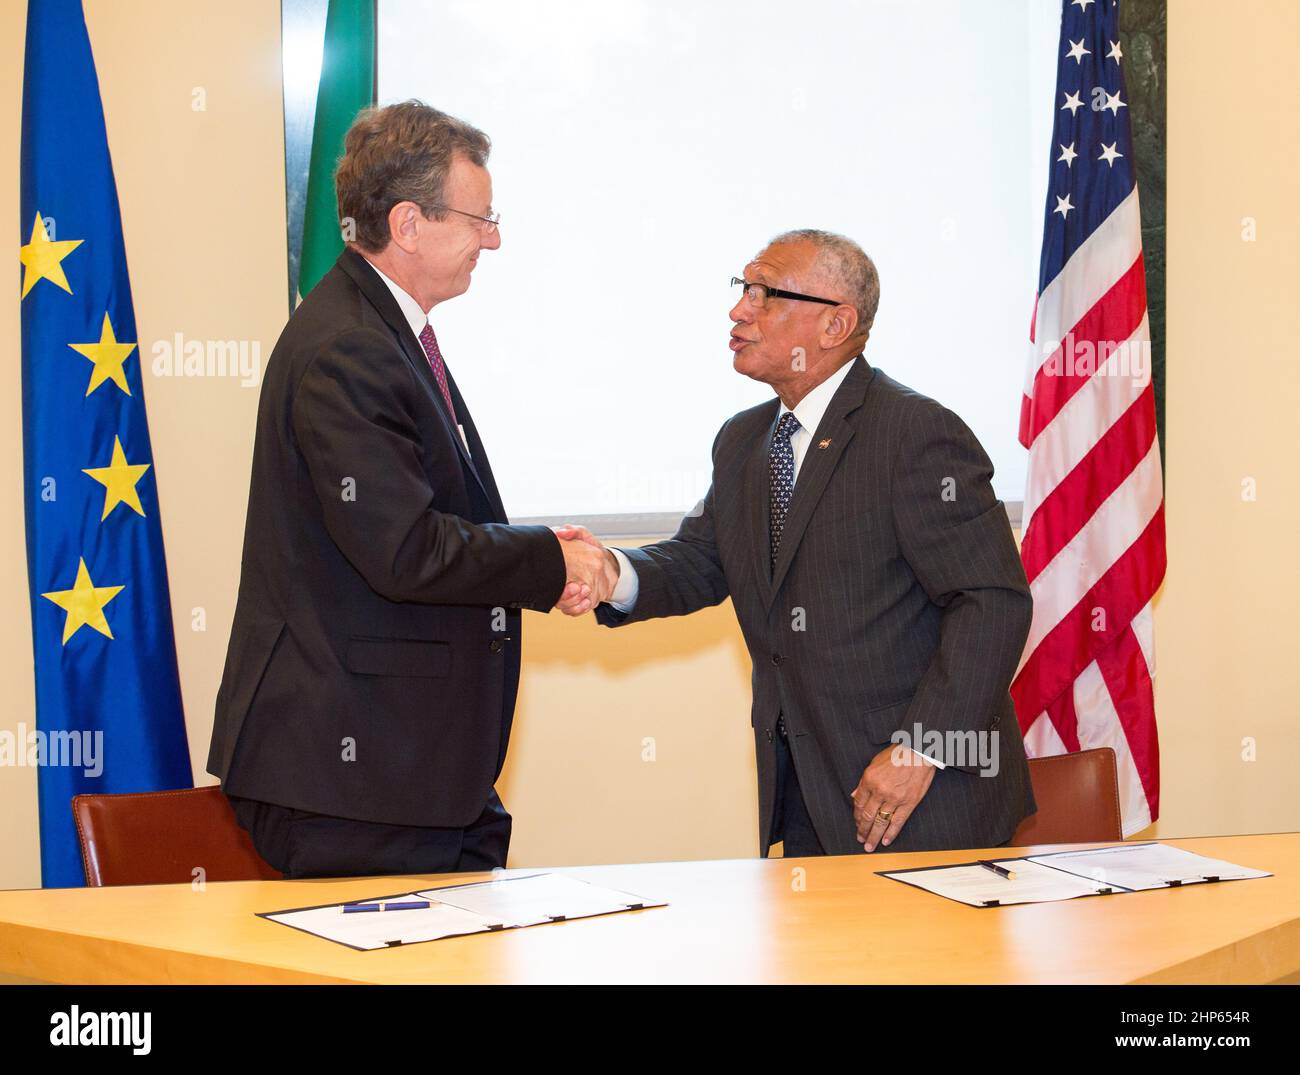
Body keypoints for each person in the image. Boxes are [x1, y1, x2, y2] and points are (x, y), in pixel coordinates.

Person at [207, 101, 609, 878]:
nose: (493, 238)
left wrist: (542, 553)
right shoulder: (350, 348)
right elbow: (405, 549)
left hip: (411, 772)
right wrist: (550, 563)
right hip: (354, 777)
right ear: (409, 223)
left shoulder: (384, 330)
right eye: (479, 218)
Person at [558, 230, 1035, 856]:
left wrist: (922, 750)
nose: (739, 311)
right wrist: (608, 570)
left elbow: (992, 601)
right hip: (806, 793)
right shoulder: (744, 440)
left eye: (765, 294)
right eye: (742, 289)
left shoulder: (916, 433)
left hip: (922, 797)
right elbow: (701, 560)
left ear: (836, 325)